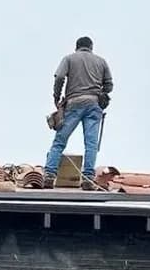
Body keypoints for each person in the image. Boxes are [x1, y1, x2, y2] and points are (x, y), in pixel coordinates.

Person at [43, 35, 113, 190]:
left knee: (59, 142)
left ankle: (49, 175)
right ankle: (88, 179)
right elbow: (109, 85)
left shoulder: (69, 59)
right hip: (94, 105)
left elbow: (60, 76)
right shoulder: (101, 61)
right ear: (91, 47)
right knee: (91, 144)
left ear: (76, 47)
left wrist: (56, 96)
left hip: (74, 104)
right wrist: (100, 91)